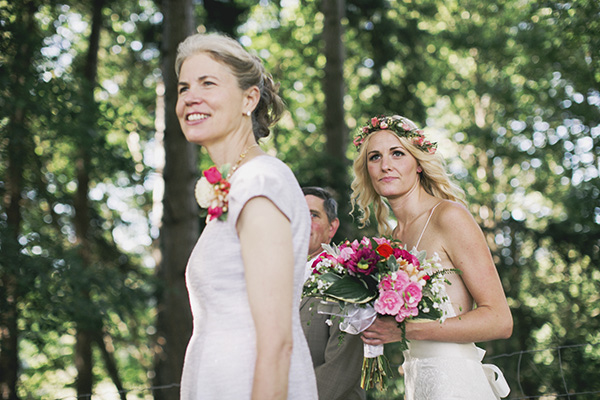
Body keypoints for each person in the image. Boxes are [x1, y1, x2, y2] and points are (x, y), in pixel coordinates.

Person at [175, 32, 317, 400]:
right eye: (183, 87)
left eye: (208, 83)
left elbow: (277, 341)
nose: (191, 96)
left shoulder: (260, 180)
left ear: (249, 98)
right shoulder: (239, 182)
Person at [351, 115, 513, 399]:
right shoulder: (391, 239)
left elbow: (499, 320)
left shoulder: (448, 217)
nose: (385, 165)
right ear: (367, 169)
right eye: (375, 157)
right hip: (417, 383)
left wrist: (402, 331)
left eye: (397, 153)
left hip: (457, 385)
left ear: (418, 164)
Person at [300, 187, 366, 400]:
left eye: (313, 215)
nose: (303, 221)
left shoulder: (347, 279)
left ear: (332, 227)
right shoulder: (276, 279)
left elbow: (342, 364)